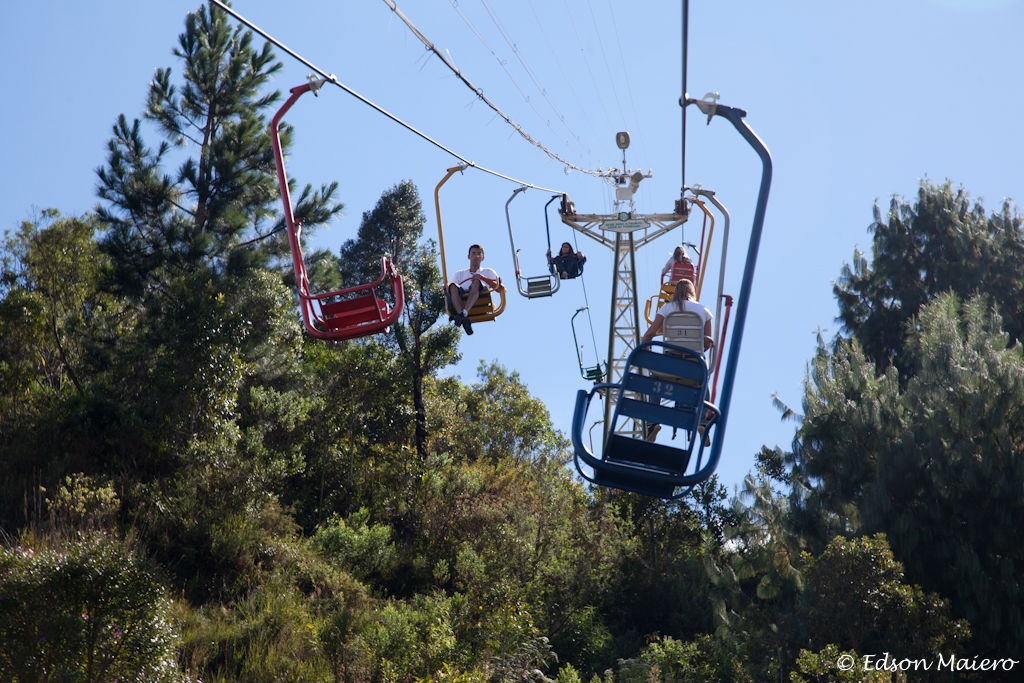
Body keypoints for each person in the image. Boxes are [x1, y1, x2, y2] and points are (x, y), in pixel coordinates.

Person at [639, 278, 713, 441]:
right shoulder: (703, 310)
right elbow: (708, 341)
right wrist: (697, 352)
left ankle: (652, 422)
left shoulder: (667, 308)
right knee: (703, 381)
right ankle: (702, 422)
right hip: (694, 362)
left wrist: (645, 347)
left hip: (671, 363)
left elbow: (650, 333)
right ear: (692, 292)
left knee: (655, 380)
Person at [447, 244, 500, 336]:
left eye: (479, 254)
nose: (476, 256)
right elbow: (451, 289)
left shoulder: (488, 272)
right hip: (462, 298)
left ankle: (463, 314)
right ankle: (462, 315)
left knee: (476, 282)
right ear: (469, 256)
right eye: (473, 253)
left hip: (481, 296)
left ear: (482, 258)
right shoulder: (460, 274)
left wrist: (482, 278)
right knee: (452, 286)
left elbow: (498, 288)